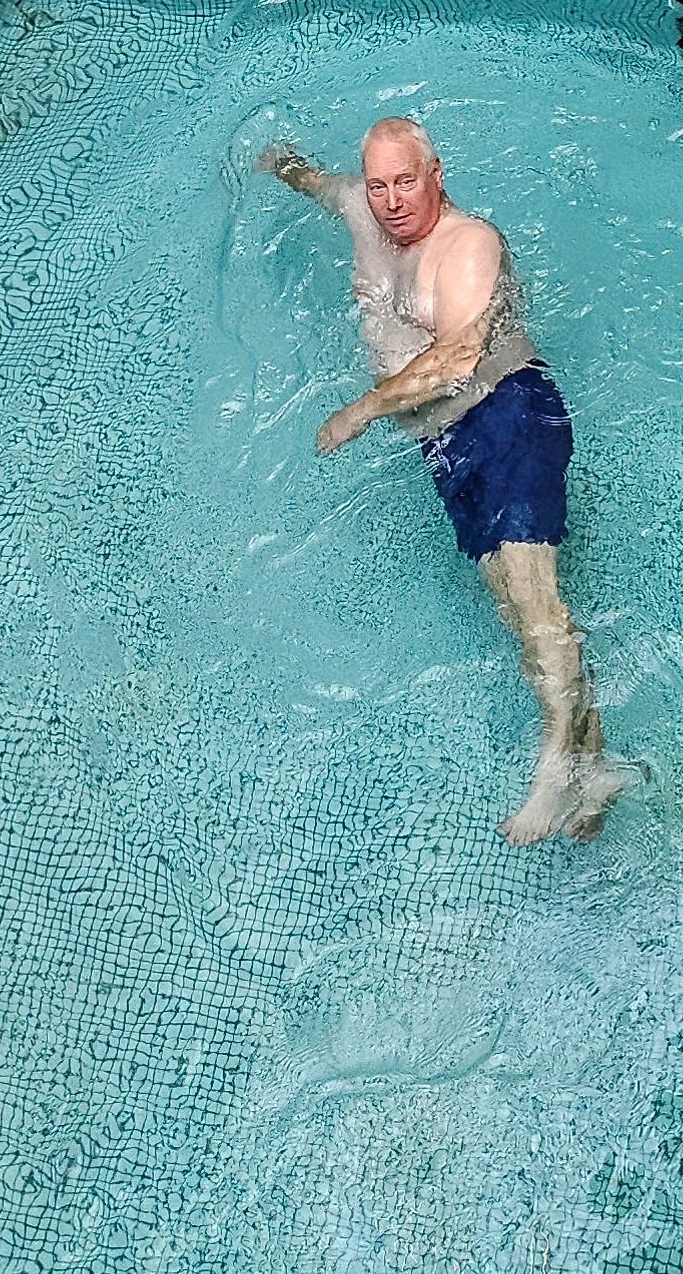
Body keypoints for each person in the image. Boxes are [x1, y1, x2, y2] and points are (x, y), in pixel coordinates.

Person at [262, 117, 630, 843]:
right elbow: (322, 187)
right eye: (379, 185)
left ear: (436, 174)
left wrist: (361, 411)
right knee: (516, 612)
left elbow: (459, 355)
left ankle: (556, 763)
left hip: (508, 412)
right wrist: (281, 166)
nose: (393, 200)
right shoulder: (363, 208)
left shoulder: (467, 245)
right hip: (445, 443)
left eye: (407, 181)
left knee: (537, 602)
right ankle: (595, 761)